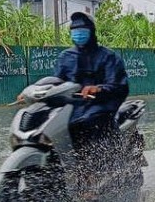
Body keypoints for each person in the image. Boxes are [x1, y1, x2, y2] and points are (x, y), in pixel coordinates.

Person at [53, 12, 129, 177]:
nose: (78, 34)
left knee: (87, 121)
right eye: (75, 30)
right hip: (72, 107)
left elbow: (119, 86)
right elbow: (55, 82)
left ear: (91, 31)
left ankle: (94, 173)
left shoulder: (108, 57)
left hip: (100, 106)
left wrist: (99, 89)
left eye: (82, 30)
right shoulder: (65, 57)